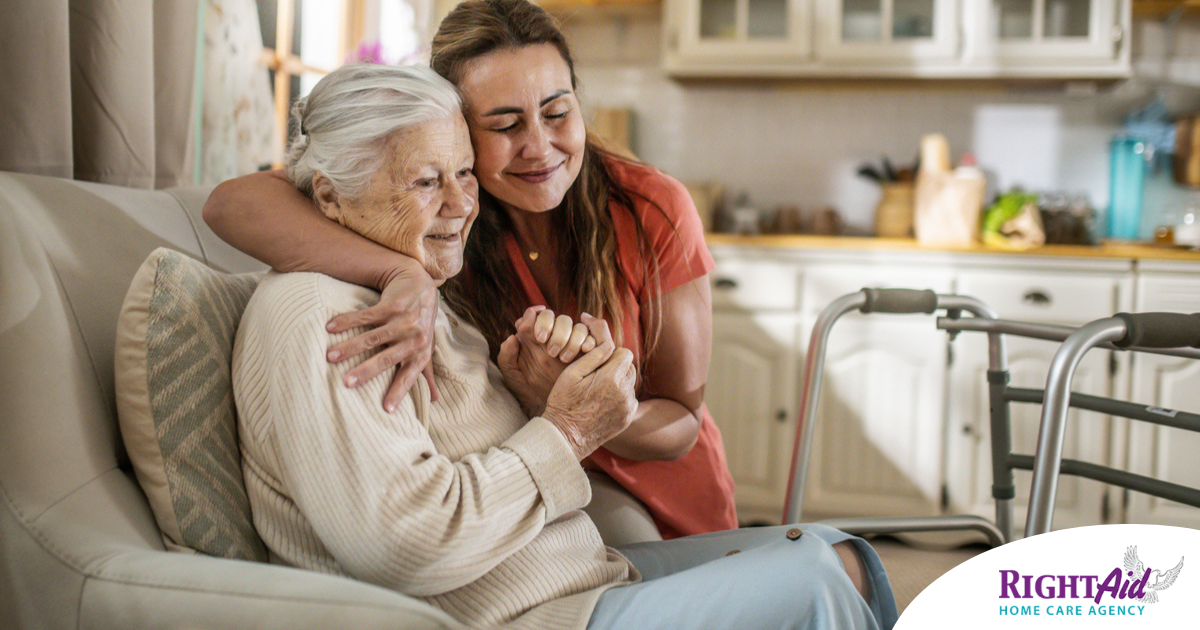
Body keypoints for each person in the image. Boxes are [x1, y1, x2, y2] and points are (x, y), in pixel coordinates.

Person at [233, 61, 897, 630]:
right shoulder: (322, 317)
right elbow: (407, 543)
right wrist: (569, 429)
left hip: (576, 581)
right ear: (329, 195)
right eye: (425, 181)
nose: (463, 204)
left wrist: (533, 393)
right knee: (815, 577)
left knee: (838, 551)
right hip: (529, 618)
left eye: (464, 173)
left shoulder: (407, 290)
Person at [205, 0, 735, 544]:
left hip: (669, 497)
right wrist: (399, 273)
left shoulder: (650, 208)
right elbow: (231, 204)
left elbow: (682, 422)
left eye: (557, 113)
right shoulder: (446, 222)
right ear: (456, 127)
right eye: (504, 124)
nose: (539, 147)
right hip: (539, 490)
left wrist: (587, 407)